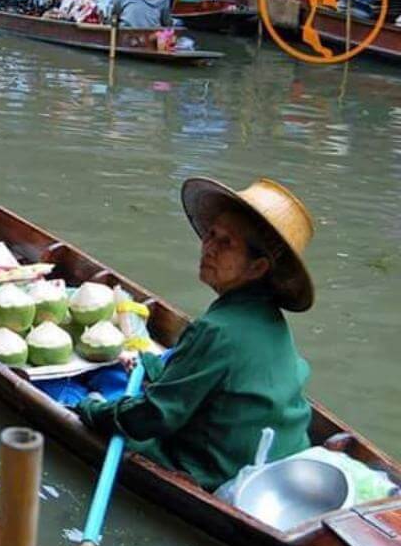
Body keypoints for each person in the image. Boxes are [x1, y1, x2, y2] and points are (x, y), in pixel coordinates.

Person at [74, 177, 315, 491]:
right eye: (211, 235)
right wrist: (151, 366)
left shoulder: (216, 330)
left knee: (105, 411)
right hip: (279, 458)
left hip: (217, 472)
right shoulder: (268, 319)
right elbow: (208, 373)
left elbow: (154, 416)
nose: (208, 248)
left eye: (226, 243)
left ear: (257, 268)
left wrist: (91, 408)